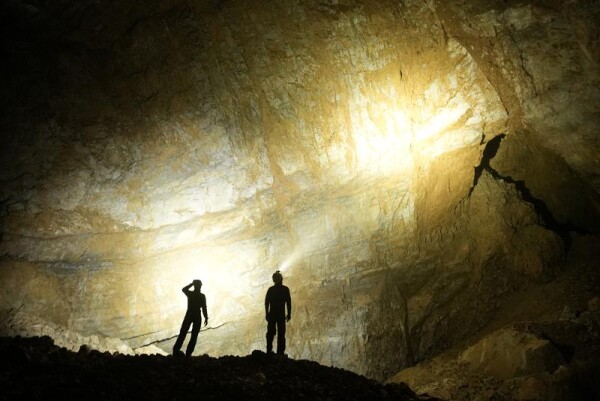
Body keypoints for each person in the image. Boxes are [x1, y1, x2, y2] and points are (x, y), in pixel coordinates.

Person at [173, 279, 208, 357]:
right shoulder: (198, 295)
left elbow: (204, 308)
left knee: (186, 334)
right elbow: (204, 308)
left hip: (191, 315)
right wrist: (206, 317)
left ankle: (180, 351)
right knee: (190, 335)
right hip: (194, 315)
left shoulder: (192, 294)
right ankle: (185, 353)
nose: (199, 286)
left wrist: (206, 317)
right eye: (198, 285)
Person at [265, 270, 291, 355]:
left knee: (271, 333)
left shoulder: (271, 290)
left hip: (273, 314)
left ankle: (269, 351)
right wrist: (289, 313)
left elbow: (266, 302)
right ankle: (280, 353)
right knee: (280, 334)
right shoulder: (285, 289)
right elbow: (288, 302)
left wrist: (267, 313)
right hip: (280, 315)